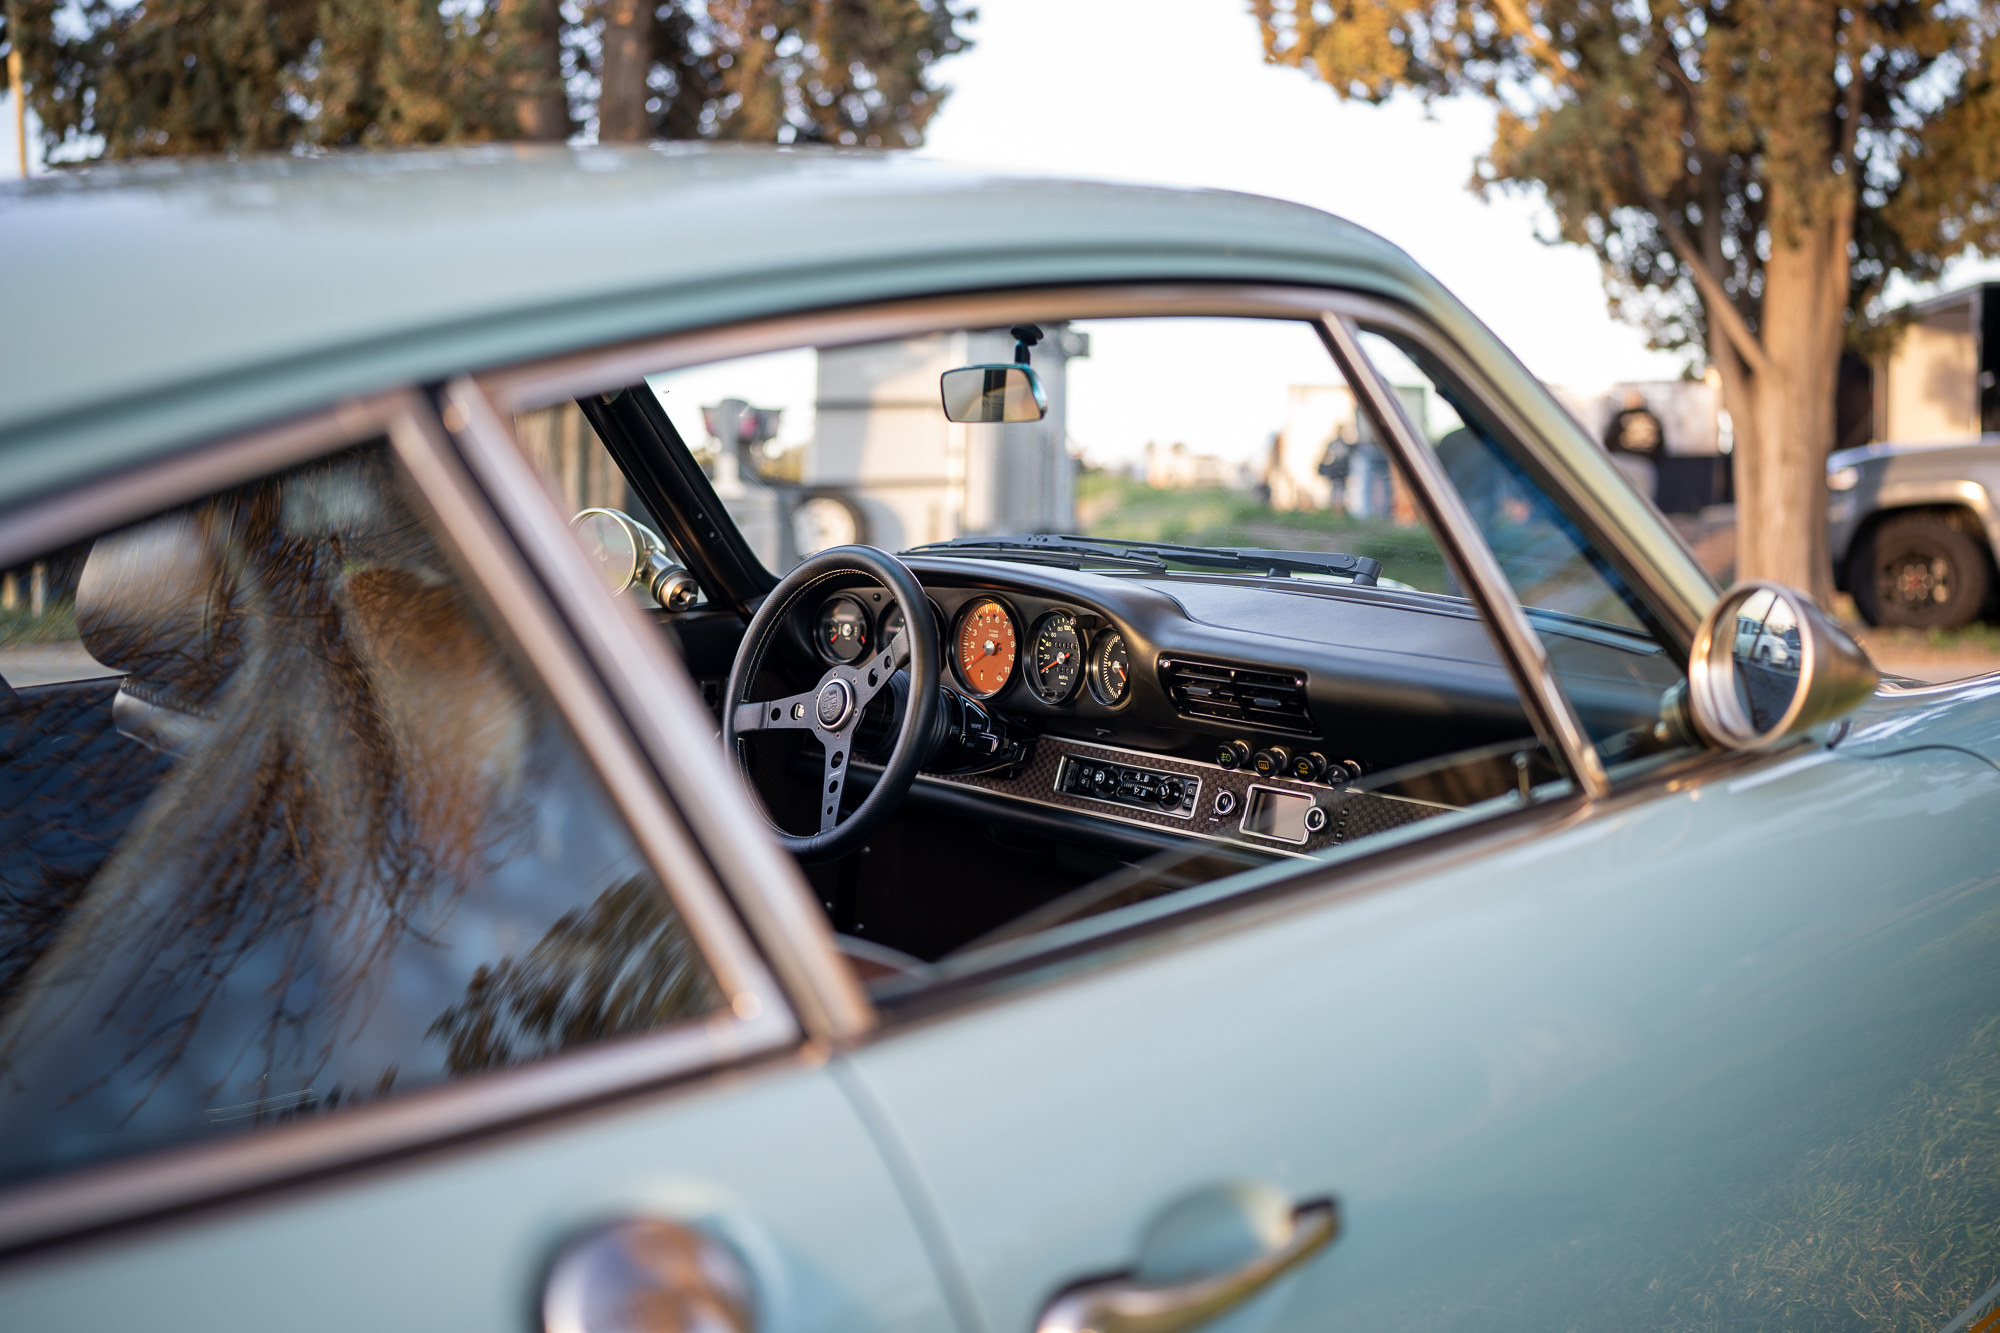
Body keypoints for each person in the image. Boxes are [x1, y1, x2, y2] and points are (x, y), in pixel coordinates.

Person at [1603, 389, 1663, 501]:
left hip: (1620, 462)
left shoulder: (1620, 417)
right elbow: (1661, 446)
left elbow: (1608, 441)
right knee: (1644, 503)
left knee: (1617, 498)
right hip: (1643, 465)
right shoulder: (1653, 418)